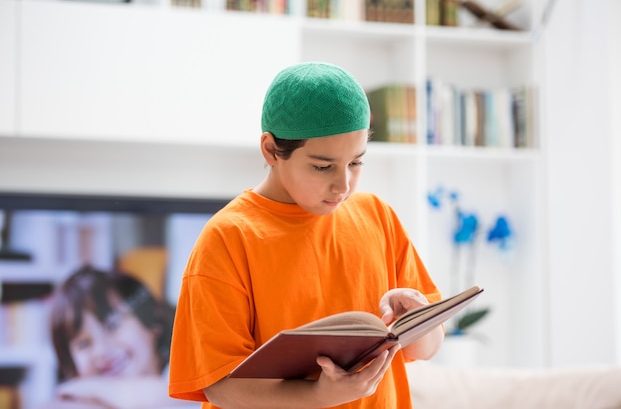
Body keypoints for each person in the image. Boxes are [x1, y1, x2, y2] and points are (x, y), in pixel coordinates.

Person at [168, 62, 444, 408]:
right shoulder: (228, 238)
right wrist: (318, 396)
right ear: (270, 150)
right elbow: (219, 385)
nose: (343, 185)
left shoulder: (378, 216)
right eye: (322, 166)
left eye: (356, 163)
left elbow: (428, 348)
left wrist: (419, 320)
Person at [42, 265, 197, 409]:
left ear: (152, 320)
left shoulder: (186, 369)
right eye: (83, 344)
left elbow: (175, 396)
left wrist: (93, 388)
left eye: (113, 326)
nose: (101, 350)